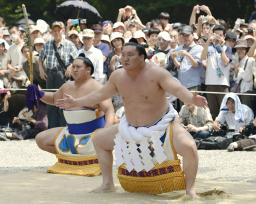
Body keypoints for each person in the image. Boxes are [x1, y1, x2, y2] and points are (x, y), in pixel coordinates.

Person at [56, 42, 207, 198]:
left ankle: (190, 190)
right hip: (130, 128)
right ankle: (107, 184)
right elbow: (99, 95)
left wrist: (191, 98)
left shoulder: (157, 74)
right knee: (99, 139)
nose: (125, 59)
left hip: (162, 125)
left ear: (142, 57)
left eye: (130, 55)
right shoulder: (118, 76)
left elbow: (177, 89)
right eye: (123, 55)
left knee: (189, 146)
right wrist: (76, 102)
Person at [34, 55, 115, 176]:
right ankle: (71, 159)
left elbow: (109, 110)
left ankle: (96, 158)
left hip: (92, 135)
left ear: (88, 70)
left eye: (78, 67)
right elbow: (54, 99)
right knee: (41, 139)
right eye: (73, 67)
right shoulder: (67, 86)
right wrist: (39, 93)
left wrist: (105, 132)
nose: (75, 69)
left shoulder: (97, 87)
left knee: (100, 144)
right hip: (70, 133)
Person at [38, 21, 78, 128]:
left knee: (62, 102)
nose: (56, 33)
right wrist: (41, 69)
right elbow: (40, 59)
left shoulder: (69, 44)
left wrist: (70, 66)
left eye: (58, 30)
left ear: (63, 30)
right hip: (50, 74)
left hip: (62, 75)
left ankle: (63, 128)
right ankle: (52, 128)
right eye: (54, 31)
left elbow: (78, 59)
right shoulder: (47, 44)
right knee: (50, 102)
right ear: (51, 32)